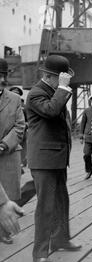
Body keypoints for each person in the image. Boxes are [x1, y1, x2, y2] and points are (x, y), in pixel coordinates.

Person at [26, 55, 81, 262]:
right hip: (44, 159)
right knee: (45, 207)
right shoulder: (36, 94)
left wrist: (61, 90)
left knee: (61, 202)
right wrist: (64, 89)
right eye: (63, 77)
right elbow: (51, 111)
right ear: (51, 77)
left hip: (56, 157)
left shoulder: (50, 92)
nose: (66, 80)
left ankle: (60, 239)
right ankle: (40, 254)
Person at [0, 59, 26, 244]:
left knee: (7, 193)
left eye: (1, 76)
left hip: (7, 155)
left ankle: (3, 231)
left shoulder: (15, 99)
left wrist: (3, 145)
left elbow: (20, 127)